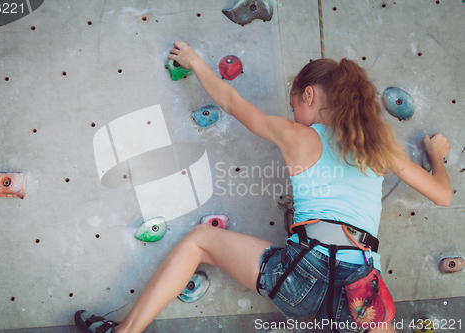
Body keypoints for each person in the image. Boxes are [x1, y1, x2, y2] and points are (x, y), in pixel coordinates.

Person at [75, 41, 452, 333]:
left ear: (309, 95)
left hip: (298, 278)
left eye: (294, 106)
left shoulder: (297, 136)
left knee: (199, 241)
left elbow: (230, 100)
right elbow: (442, 195)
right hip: (357, 297)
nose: (294, 117)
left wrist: (194, 61)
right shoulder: (380, 148)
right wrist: (435, 154)